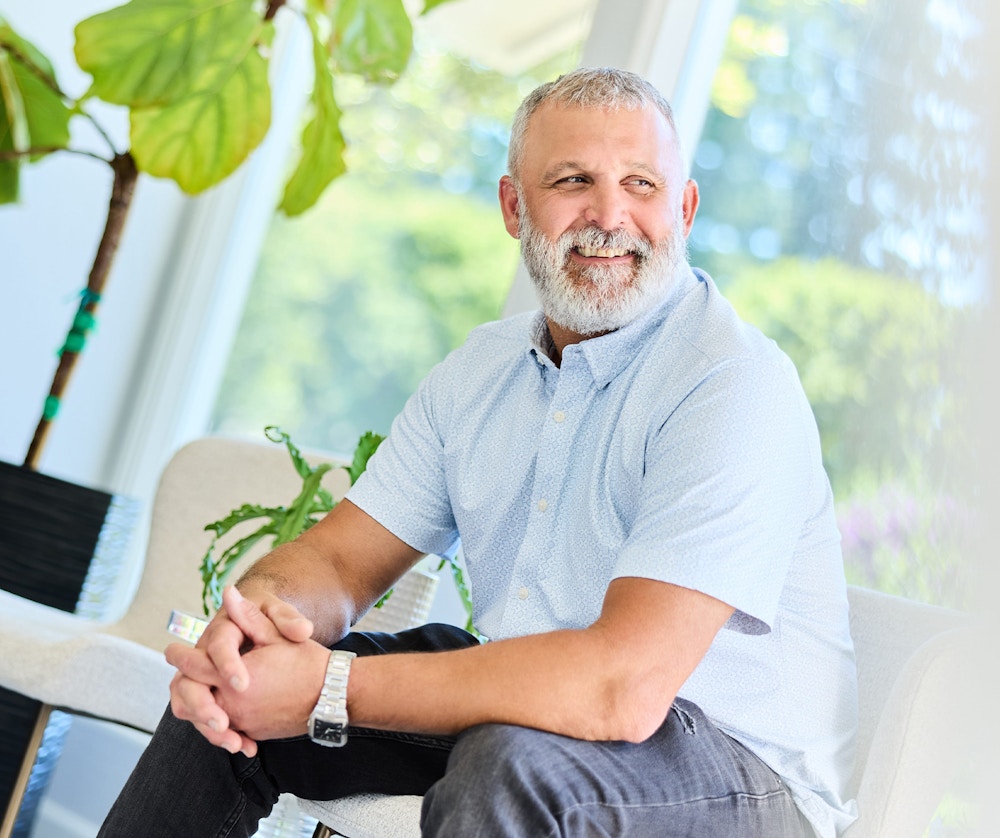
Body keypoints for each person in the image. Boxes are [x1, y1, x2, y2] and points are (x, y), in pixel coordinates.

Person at [100, 67, 858, 838]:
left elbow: (621, 690)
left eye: (640, 184)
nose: (609, 215)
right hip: (531, 720)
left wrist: (330, 685)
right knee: (241, 690)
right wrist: (251, 632)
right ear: (513, 205)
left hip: (736, 777)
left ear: (685, 208)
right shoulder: (482, 370)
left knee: (515, 761)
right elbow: (338, 564)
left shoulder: (732, 384)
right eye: (572, 180)